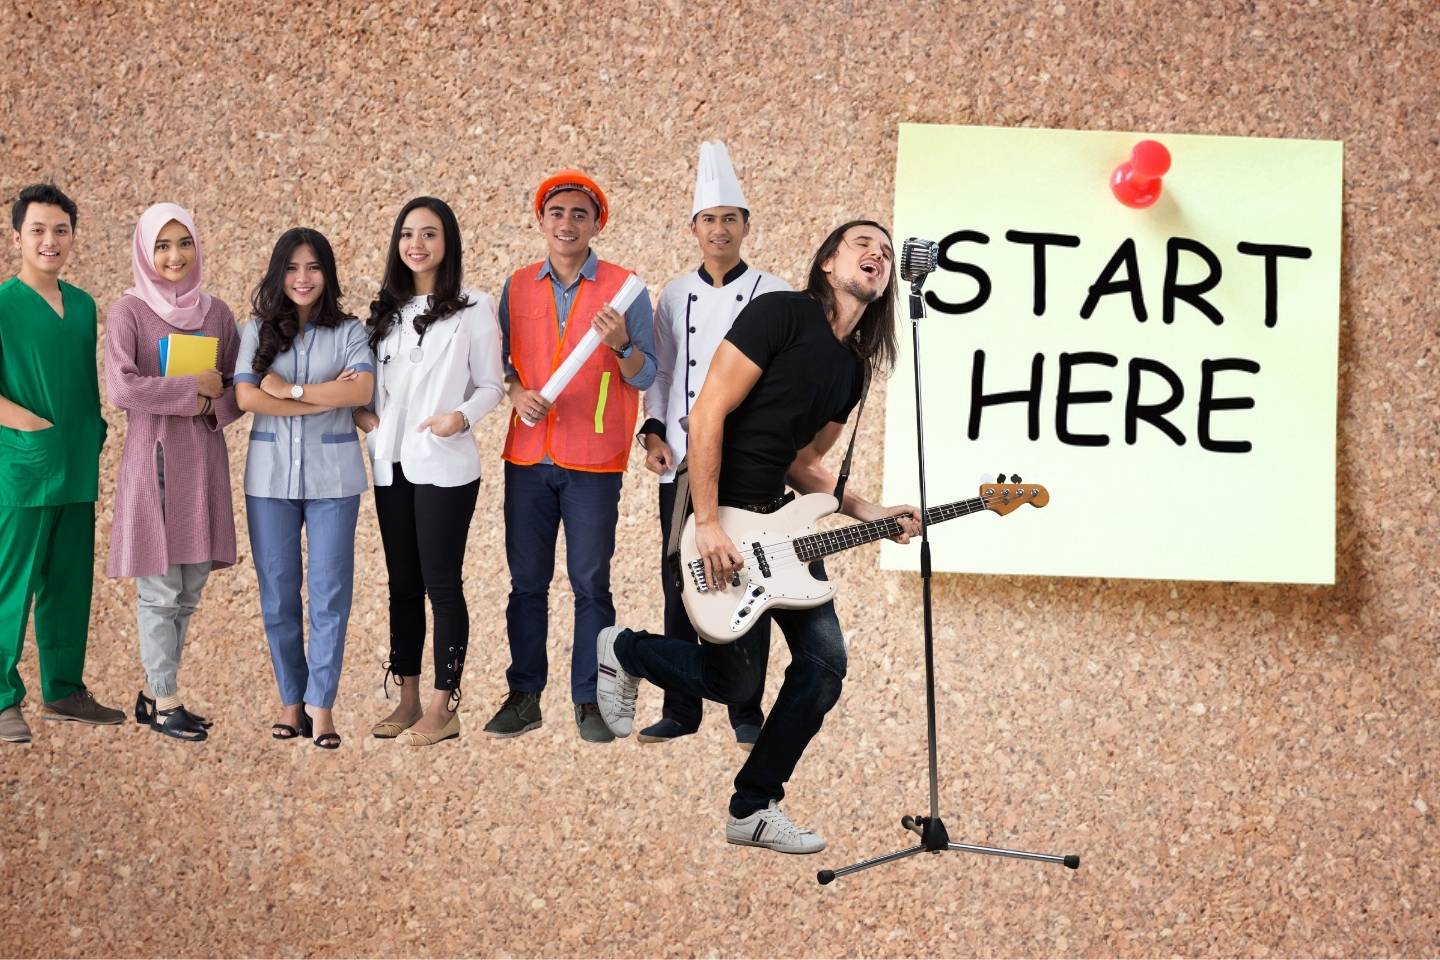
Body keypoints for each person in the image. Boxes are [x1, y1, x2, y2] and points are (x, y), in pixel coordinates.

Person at [597, 221, 920, 853]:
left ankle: (752, 806)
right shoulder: (780, 314)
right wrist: (711, 520)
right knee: (737, 683)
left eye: (885, 252)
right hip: (722, 510)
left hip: (777, 521)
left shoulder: (851, 372)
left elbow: (803, 462)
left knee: (823, 668)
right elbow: (707, 410)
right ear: (828, 261)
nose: (877, 256)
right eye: (863, 245)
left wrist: (869, 510)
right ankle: (627, 650)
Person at [484, 170, 658, 743]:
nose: (567, 223)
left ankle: (590, 699)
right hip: (528, 456)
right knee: (526, 583)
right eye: (557, 212)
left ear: (596, 224)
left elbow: (646, 374)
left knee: (590, 584)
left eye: (579, 214)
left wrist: (622, 345)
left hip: (594, 460)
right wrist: (514, 394)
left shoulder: (625, 288)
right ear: (541, 220)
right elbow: (500, 367)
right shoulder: (517, 287)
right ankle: (524, 695)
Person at [635, 140, 789, 750]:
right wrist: (653, 432)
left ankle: (746, 708)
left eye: (730, 219)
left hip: (749, 463)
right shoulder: (674, 295)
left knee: (749, 576)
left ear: (746, 226)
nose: (719, 229)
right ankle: (681, 707)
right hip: (684, 457)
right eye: (709, 220)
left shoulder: (775, 292)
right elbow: (666, 374)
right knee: (680, 574)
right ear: (693, 228)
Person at [356, 197, 504, 747]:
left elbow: (492, 385)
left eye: (430, 234)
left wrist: (459, 417)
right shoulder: (385, 313)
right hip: (390, 461)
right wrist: (367, 420)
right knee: (402, 585)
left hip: (445, 463)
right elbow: (368, 384)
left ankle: (445, 705)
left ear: (449, 244)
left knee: (442, 584)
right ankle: (408, 698)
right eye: (407, 235)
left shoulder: (474, 307)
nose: (417, 244)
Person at [105, 202, 242, 742]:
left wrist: (213, 405)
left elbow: (237, 389)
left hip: (202, 464)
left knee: (189, 587)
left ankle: (155, 691)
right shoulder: (129, 312)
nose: (174, 255)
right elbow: (121, 389)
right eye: (161, 245)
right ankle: (165, 701)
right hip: (155, 464)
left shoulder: (217, 314)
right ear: (144, 251)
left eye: (183, 242)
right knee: (160, 590)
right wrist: (193, 391)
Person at [235, 228, 374, 750]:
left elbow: (360, 389)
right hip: (269, 479)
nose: (302, 278)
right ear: (278, 273)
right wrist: (324, 397)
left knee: (330, 592)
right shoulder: (256, 329)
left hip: (334, 478)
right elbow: (247, 398)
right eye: (292, 268)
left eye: (313, 267)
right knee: (277, 592)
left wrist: (290, 390)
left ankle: (322, 704)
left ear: (327, 274)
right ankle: (290, 699)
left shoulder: (351, 330)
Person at [0, 183, 123, 744]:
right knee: (12, 584)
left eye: (61, 230)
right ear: (17, 236)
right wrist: (24, 423)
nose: (51, 241)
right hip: (23, 469)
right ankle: (3, 699)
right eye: (38, 230)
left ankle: (64, 691)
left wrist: (92, 431)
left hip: (75, 464)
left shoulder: (84, 305)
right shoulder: (3, 304)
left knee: (69, 584)